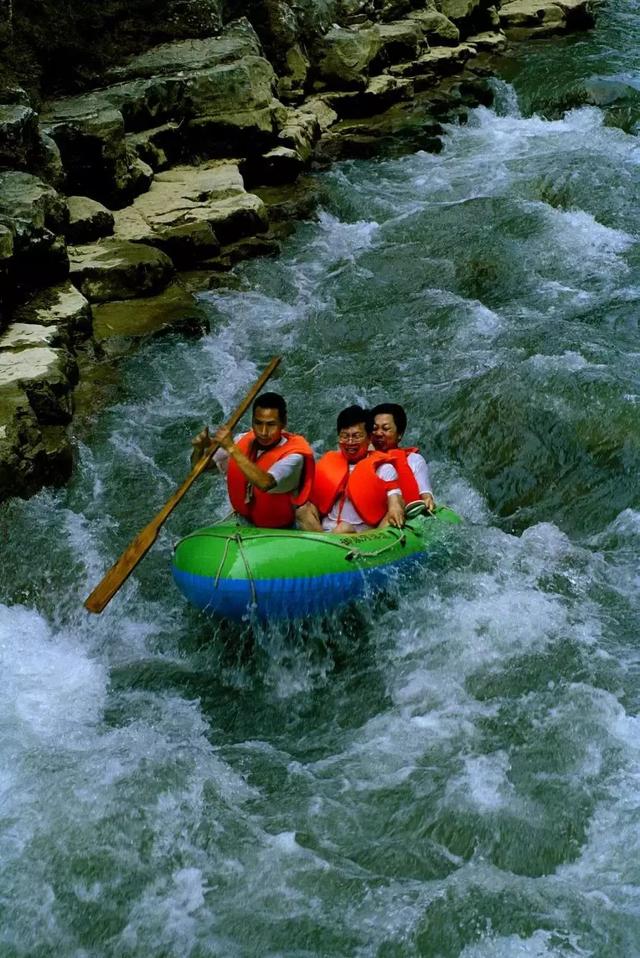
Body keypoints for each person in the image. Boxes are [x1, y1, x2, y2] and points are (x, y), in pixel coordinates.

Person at [191, 391, 315, 529]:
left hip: (281, 529)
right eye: (258, 423)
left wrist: (232, 449)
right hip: (245, 521)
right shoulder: (241, 441)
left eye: (271, 424)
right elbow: (199, 468)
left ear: (283, 423)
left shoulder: (293, 458)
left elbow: (265, 483)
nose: (263, 432)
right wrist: (199, 449)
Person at [296, 405, 405, 534]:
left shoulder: (383, 469)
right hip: (324, 532)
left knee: (344, 528)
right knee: (303, 511)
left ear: (369, 438)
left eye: (357, 436)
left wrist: (395, 506)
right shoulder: (327, 463)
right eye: (344, 436)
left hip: (360, 536)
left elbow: (395, 496)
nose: (350, 442)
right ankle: (321, 542)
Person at [370, 402, 435, 513]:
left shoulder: (414, 460)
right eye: (375, 428)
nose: (378, 433)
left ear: (399, 434)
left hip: (404, 516)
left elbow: (425, 494)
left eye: (386, 429)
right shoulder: (360, 458)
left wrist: (428, 500)